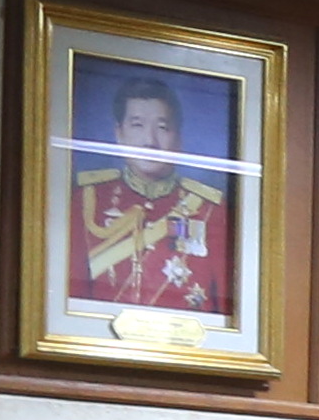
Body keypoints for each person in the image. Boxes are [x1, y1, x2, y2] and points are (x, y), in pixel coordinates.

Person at [68, 72, 226, 316]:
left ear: (178, 138)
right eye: (137, 125)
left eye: (162, 127)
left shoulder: (211, 212)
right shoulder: (86, 201)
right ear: (119, 134)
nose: (149, 141)